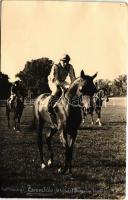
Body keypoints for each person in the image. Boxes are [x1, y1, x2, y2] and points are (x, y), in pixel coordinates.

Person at [48, 54, 76, 126]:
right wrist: (62, 87)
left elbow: (73, 78)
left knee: (70, 91)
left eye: (67, 61)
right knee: (57, 91)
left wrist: (72, 87)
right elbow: (56, 80)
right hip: (53, 81)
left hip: (63, 81)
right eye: (64, 61)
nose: (66, 63)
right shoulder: (55, 66)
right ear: (60, 61)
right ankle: (50, 106)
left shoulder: (70, 66)